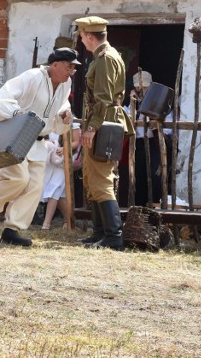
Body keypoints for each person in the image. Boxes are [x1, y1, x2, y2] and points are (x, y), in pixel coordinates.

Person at [0, 47, 79, 246]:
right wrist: (19, 115)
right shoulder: (33, 77)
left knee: (34, 187)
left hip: (39, 142)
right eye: (68, 66)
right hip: (18, 137)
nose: (71, 71)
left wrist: (64, 113)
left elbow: (61, 105)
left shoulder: (66, 83)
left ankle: (12, 230)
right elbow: (0, 99)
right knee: (18, 179)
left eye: (73, 68)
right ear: (55, 65)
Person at [76, 16, 135, 250]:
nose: (81, 40)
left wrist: (91, 128)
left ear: (90, 37)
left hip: (104, 122)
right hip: (103, 121)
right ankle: (100, 231)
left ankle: (114, 235)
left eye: (81, 36)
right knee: (92, 178)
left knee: (101, 179)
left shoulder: (105, 59)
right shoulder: (104, 57)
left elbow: (103, 98)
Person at [122, 70, 173, 206]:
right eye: (139, 87)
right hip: (137, 145)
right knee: (137, 179)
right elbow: (123, 120)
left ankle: (154, 212)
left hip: (154, 145)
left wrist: (155, 121)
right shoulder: (130, 105)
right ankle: (137, 213)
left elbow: (168, 131)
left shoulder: (161, 103)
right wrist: (133, 104)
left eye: (144, 87)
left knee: (155, 180)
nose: (141, 90)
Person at [40, 124, 81, 230]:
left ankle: (46, 224)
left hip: (64, 160)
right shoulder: (50, 119)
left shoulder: (72, 122)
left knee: (53, 190)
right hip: (51, 159)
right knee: (58, 195)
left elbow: (76, 142)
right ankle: (69, 220)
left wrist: (64, 148)